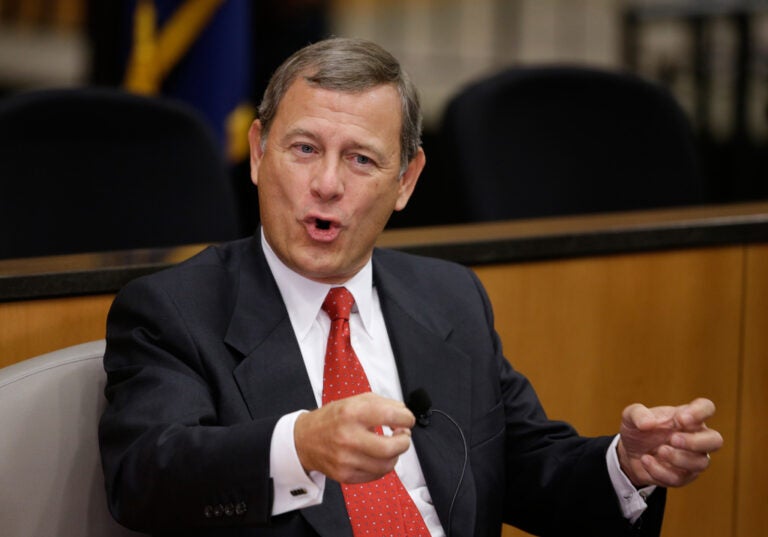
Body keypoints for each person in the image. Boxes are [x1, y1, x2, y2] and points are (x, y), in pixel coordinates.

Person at [98, 37, 723, 537]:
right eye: (305, 148)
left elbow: (531, 468)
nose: (326, 184)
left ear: (406, 180)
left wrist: (626, 467)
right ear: (259, 153)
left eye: (361, 159)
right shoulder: (175, 310)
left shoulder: (450, 299)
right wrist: (302, 446)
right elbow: (148, 476)